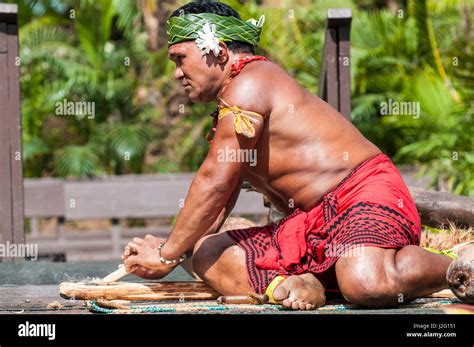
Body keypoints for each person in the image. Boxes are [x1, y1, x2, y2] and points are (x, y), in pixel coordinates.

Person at [122, 0, 468, 310]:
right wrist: (177, 250)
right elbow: (220, 195)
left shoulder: (251, 82)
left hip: (365, 196)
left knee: (365, 283)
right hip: (312, 223)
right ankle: (302, 287)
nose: (177, 73)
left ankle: (457, 264)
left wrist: (165, 254)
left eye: (180, 59)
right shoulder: (231, 106)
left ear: (220, 51)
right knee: (207, 254)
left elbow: (213, 180)